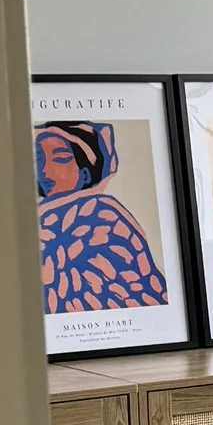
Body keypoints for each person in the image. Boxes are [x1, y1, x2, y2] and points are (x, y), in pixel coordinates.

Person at [36, 121, 168, 311]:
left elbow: (139, 292)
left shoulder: (100, 214)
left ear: (86, 173)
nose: (45, 171)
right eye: (39, 160)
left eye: (61, 159)